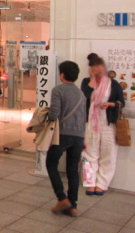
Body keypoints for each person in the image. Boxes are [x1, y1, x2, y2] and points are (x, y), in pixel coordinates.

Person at [46, 61, 87, 217]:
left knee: (51, 163)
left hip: (62, 134)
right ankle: (73, 206)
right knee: (72, 170)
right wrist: (83, 138)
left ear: (62, 74)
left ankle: (62, 198)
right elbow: (83, 117)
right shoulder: (81, 94)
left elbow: (53, 114)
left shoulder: (58, 90)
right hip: (78, 136)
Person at [81, 53, 125, 196]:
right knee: (88, 154)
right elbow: (82, 98)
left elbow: (121, 102)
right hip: (90, 124)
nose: (99, 72)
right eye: (95, 69)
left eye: (100, 69)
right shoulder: (86, 82)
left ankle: (102, 184)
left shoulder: (114, 84)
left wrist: (110, 104)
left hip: (108, 124)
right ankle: (90, 183)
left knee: (108, 155)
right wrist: (91, 80)